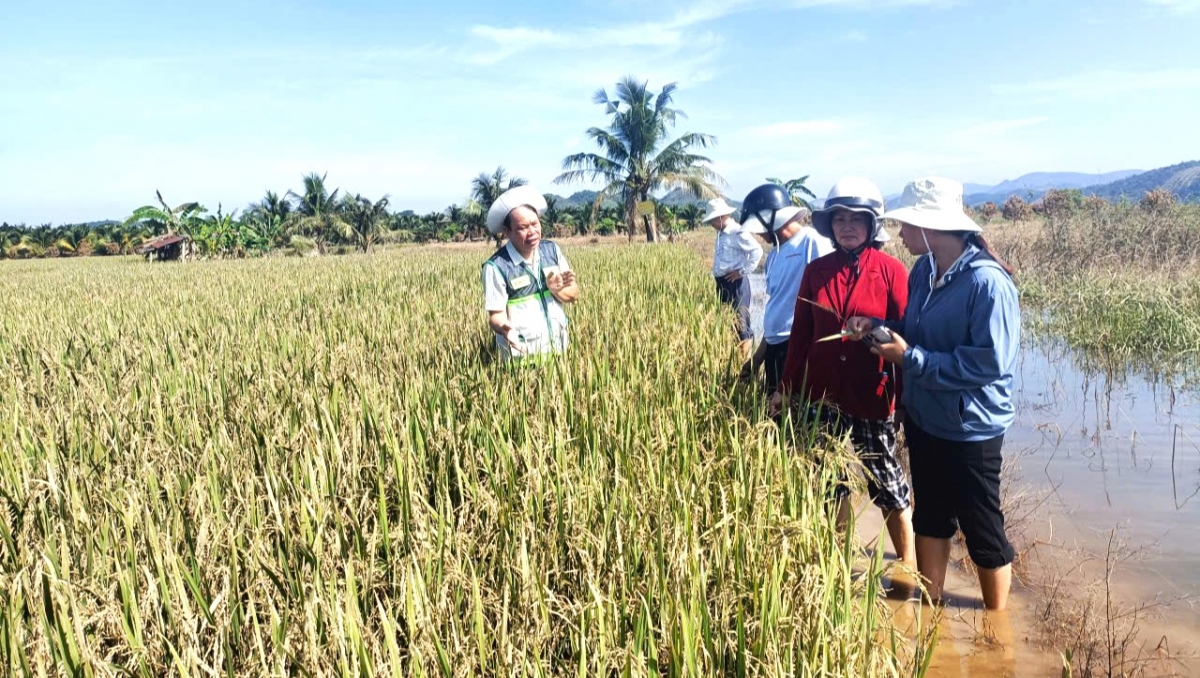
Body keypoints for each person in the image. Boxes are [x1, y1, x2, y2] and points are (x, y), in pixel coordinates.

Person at [845, 176, 1020, 611]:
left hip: (970, 428)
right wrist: (880, 328)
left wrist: (910, 360)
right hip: (927, 418)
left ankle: (998, 629)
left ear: (930, 227)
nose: (899, 234)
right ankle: (931, 609)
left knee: (982, 527)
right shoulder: (923, 271)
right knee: (931, 515)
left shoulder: (987, 284)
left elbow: (987, 364)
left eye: (906, 225)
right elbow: (916, 333)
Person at [769, 178, 915, 568]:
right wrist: (784, 388)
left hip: (874, 395)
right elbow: (800, 336)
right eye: (839, 219)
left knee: (888, 486)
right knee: (829, 483)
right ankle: (837, 564)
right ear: (829, 226)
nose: (847, 226)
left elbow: (907, 333)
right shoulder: (816, 272)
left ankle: (909, 571)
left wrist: (903, 401)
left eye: (856, 219)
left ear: (871, 225)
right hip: (822, 396)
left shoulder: (891, 271)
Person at [738, 183, 833, 397]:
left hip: (798, 347)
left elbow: (826, 304)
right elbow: (775, 311)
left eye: (760, 228)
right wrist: (757, 358)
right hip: (775, 348)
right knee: (775, 416)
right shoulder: (773, 255)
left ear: (771, 220)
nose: (760, 235)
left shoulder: (812, 242)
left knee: (794, 416)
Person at [482, 185, 579, 362]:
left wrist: (557, 290)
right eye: (523, 227)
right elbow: (495, 316)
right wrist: (506, 330)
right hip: (522, 356)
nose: (532, 232)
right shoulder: (496, 267)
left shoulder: (552, 251)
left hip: (558, 351)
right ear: (508, 231)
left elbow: (573, 295)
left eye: (535, 224)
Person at [705, 197, 762, 345]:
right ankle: (733, 359)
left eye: (712, 220)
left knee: (741, 325)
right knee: (727, 322)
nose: (711, 224)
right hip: (723, 284)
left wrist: (741, 272)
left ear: (720, 217)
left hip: (736, 284)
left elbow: (757, 251)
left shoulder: (737, 232)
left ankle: (745, 365)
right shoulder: (721, 233)